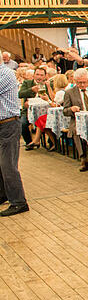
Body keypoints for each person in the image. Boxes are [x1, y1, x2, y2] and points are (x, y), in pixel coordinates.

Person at [0, 63, 27, 216]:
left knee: (7, 164)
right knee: (1, 163)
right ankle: (3, 194)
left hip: (8, 123)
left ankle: (19, 202)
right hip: (3, 124)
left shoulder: (5, 73)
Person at [62, 68, 88, 171]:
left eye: (84, 82)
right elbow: (65, 111)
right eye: (79, 83)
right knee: (77, 130)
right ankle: (83, 157)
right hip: (78, 120)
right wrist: (71, 109)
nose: (82, 85)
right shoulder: (69, 92)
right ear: (75, 81)